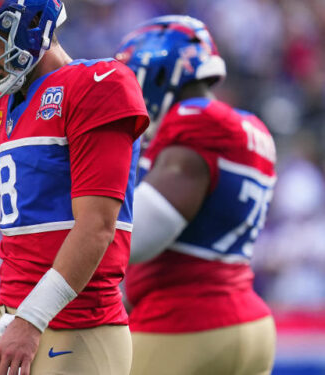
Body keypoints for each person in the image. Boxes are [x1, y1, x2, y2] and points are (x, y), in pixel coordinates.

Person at [0, 1, 149, 374]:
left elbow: (96, 227)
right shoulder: (13, 105)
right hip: (21, 321)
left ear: (31, 26)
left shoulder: (95, 84)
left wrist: (31, 320)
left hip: (72, 327)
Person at [115, 15, 277, 375]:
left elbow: (134, 238)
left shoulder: (194, 121)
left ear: (159, 74)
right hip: (250, 323)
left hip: (184, 323)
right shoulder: (252, 126)